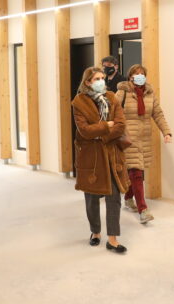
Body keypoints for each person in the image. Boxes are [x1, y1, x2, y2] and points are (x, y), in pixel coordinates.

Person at [72, 66, 130, 254]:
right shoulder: (79, 102)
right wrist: (106, 125)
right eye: (97, 79)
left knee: (114, 197)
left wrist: (101, 134)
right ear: (88, 82)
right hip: (92, 157)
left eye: (102, 78)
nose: (101, 82)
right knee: (92, 198)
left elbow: (120, 125)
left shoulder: (112, 97)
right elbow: (84, 131)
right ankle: (95, 232)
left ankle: (112, 239)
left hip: (112, 154)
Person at [114, 64, 172, 224]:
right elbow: (113, 111)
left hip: (145, 138)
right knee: (136, 172)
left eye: (142, 74)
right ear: (130, 77)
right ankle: (143, 210)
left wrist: (166, 132)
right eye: (136, 73)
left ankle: (128, 198)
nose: (139, 76)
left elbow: (158, 114)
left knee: (138, 173)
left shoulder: (149, 93)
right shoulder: (122, 92)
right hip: (128, 138)